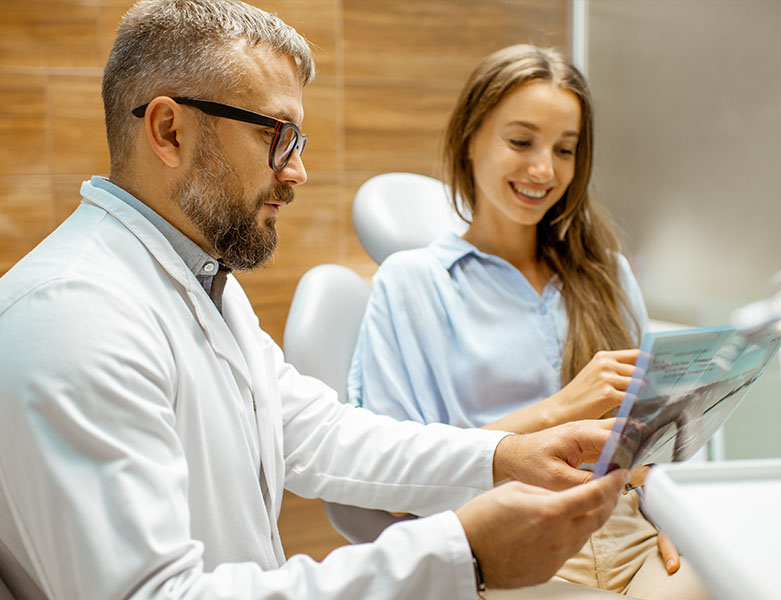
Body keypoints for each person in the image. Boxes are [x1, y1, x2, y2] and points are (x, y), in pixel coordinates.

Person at [0, 2, 632, 599]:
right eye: (279, 136)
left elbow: (321, 434)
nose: (297, 170)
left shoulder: (200, 282)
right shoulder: (72, 317)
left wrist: (506, 455)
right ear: (169, 130)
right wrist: (462, 552)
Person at [348, 44, 708, 599]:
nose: (544, 169)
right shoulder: (412, 283)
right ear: (470, 139)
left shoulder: (606, 273)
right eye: (521, 141)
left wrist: (679, 520)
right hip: (509, 543)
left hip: (633, 535)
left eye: (565, 150)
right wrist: (560, 408)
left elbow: (651, 446)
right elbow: (396, 483)